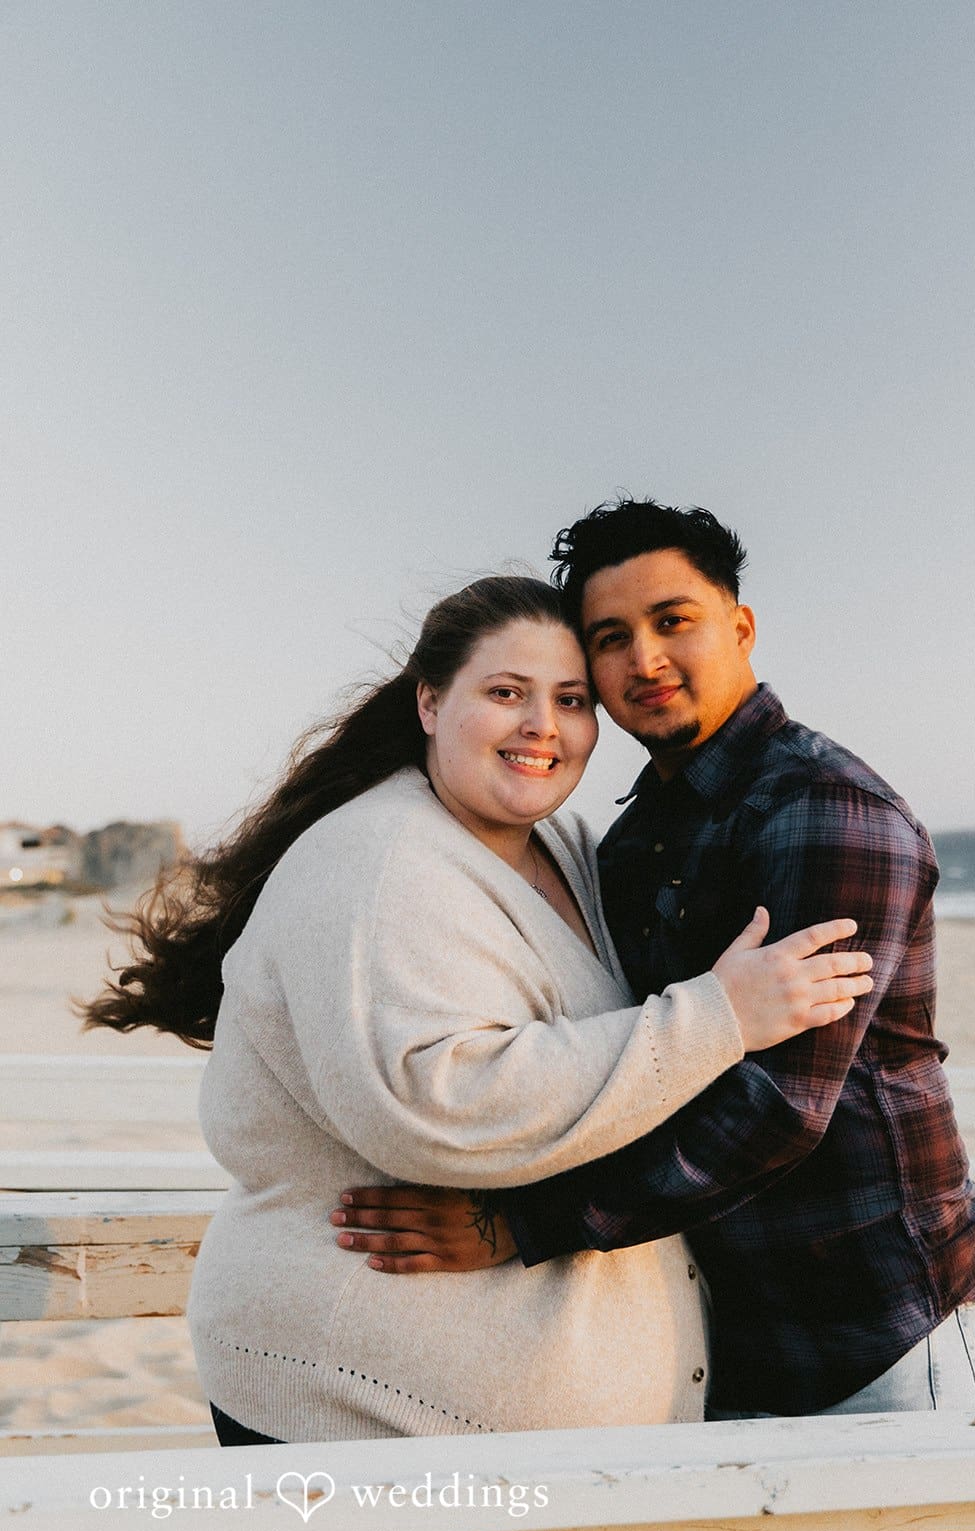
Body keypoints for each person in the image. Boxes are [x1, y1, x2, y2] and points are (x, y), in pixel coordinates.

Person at [331, 505, 975, 1531]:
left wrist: (517, 1227)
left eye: (673, 619)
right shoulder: (644, 828)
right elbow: (626, 1056)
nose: (642, 657)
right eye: (608, 636)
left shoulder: (824, 810)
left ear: (740, 625)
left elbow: (783, 1107)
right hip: (723, 1328)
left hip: (878, 1326)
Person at [82, 573, 872, 1446]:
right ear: (429, 701)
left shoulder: (564, 846)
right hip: (365, 1411)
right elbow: (439, 1101)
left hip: (533, 1446)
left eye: (571, 701)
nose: (543, 725)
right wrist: (719, 1017)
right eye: (506, 693)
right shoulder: (376, 860)